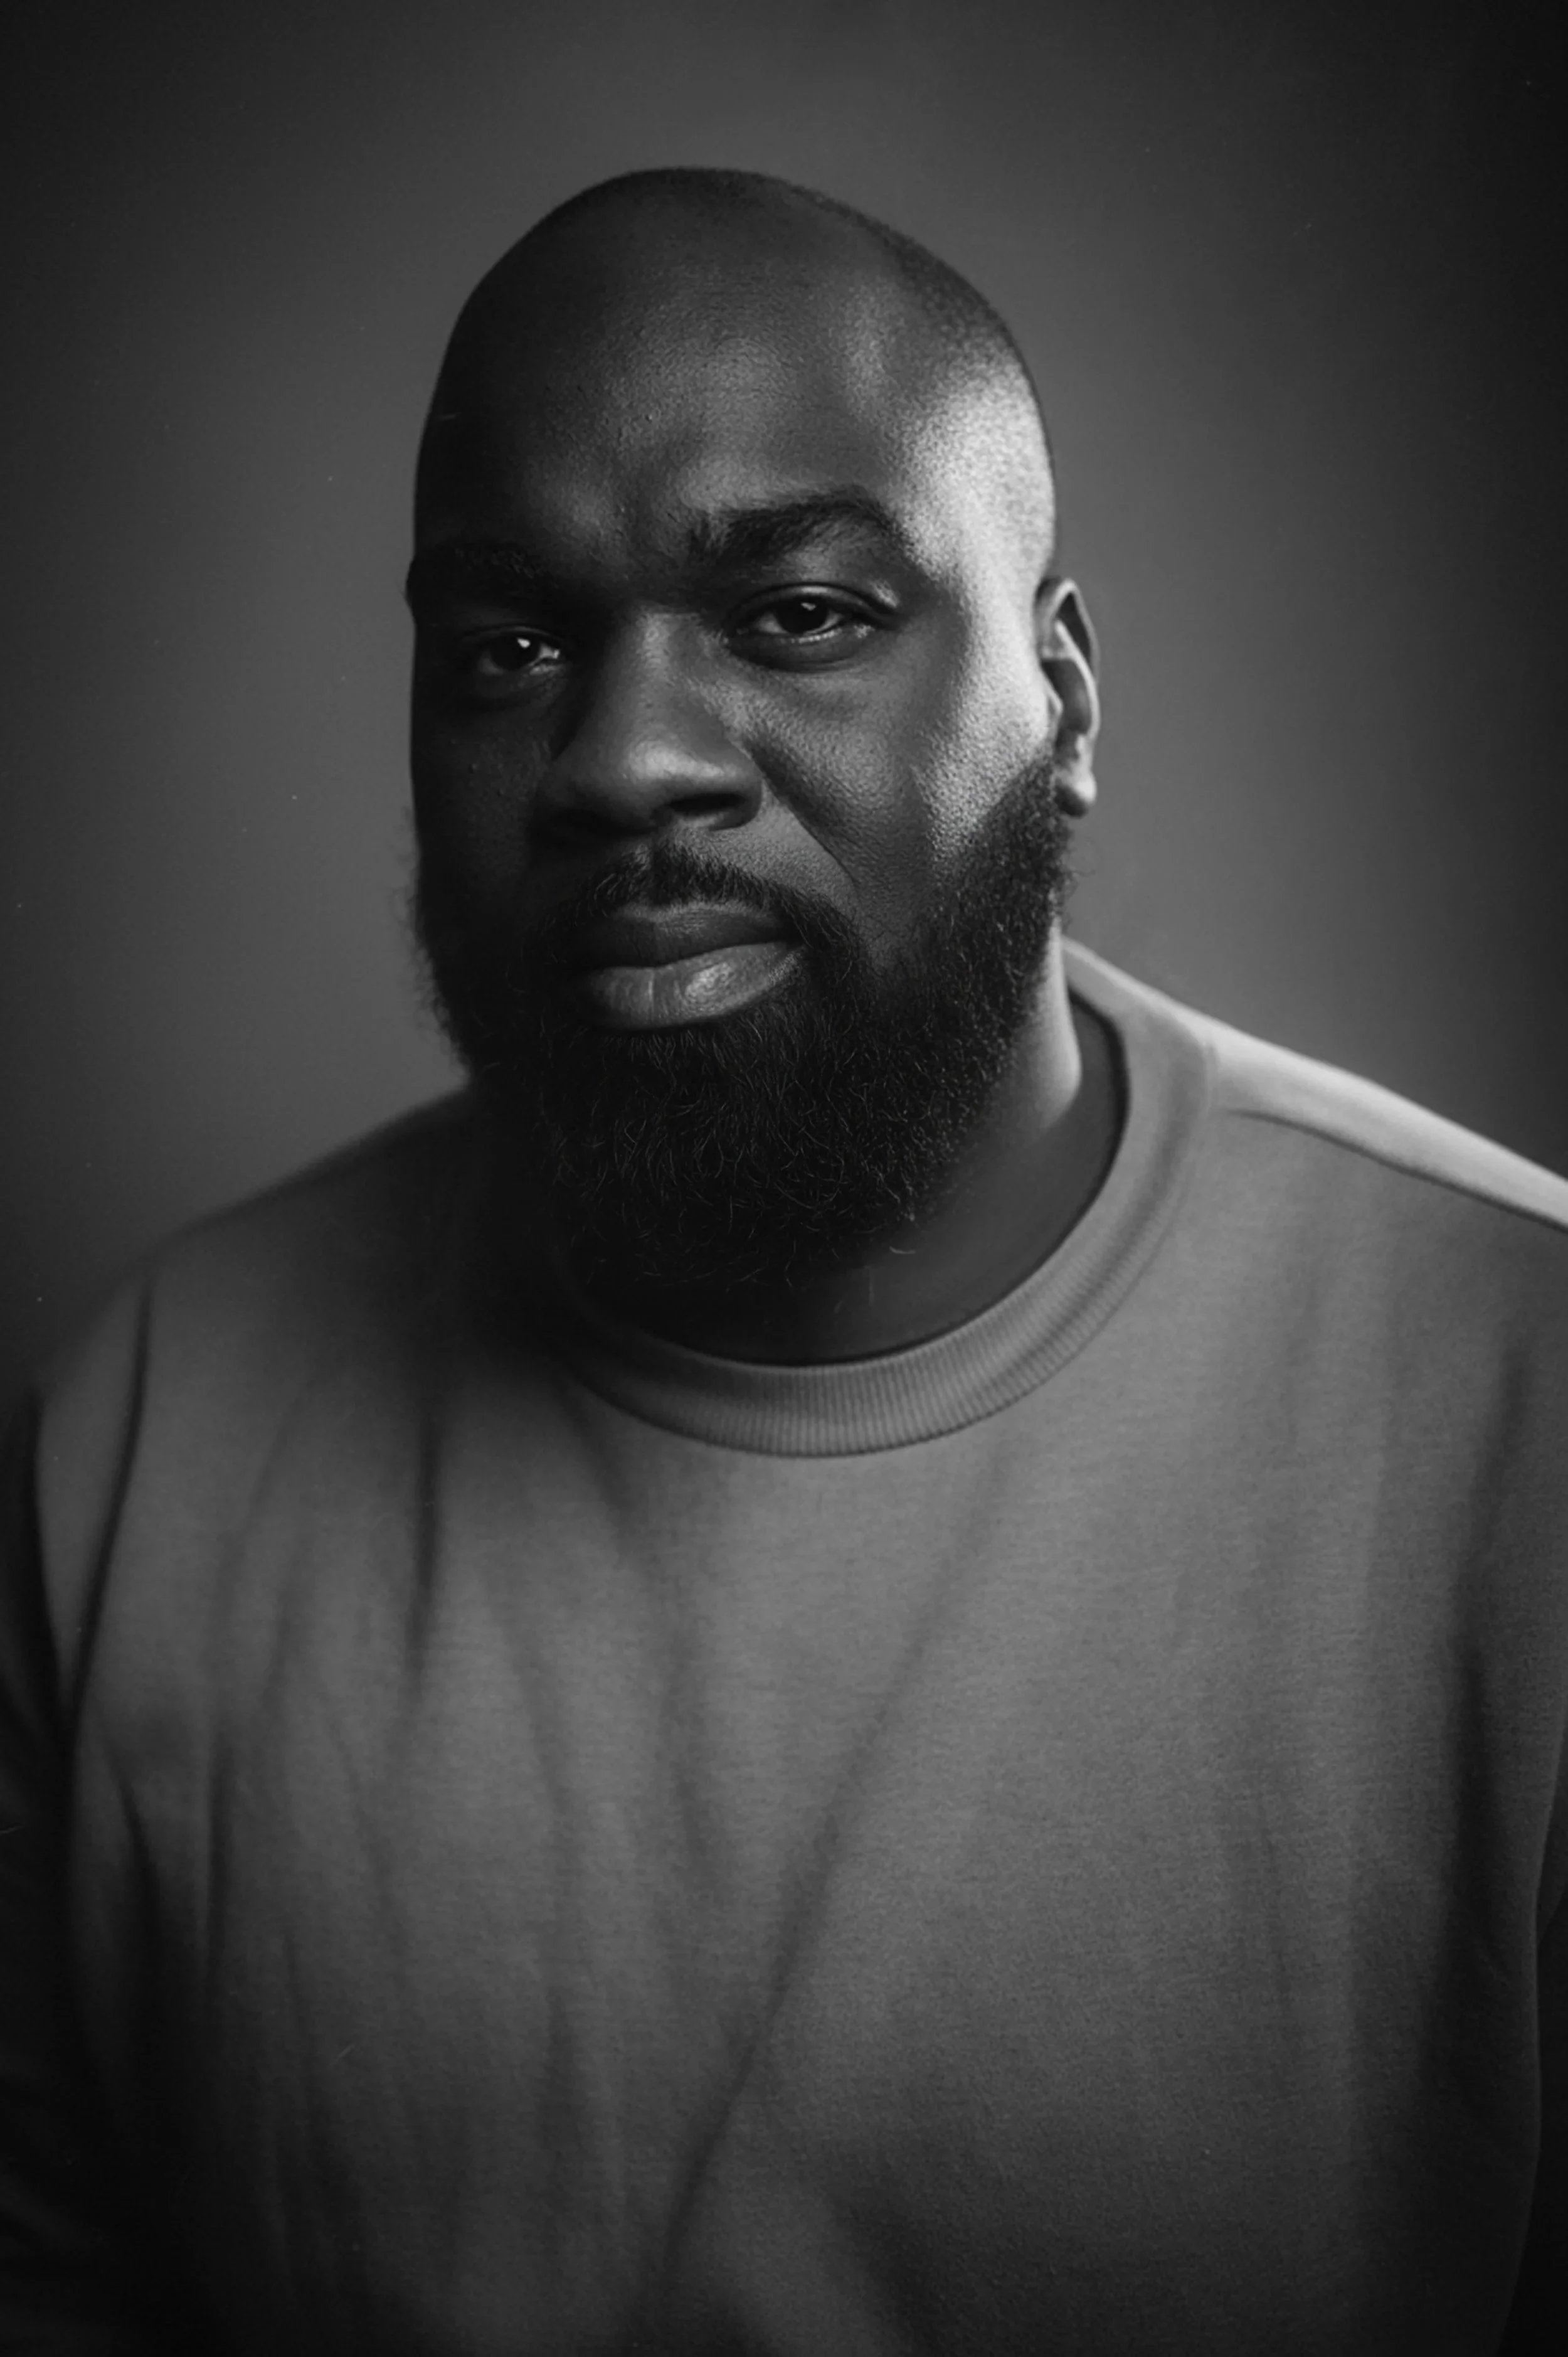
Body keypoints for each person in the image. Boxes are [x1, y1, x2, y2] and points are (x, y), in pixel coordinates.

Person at [1, 166, 1564, 2356]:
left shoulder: (1519, 1416)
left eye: (801, 612)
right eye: (508, 647)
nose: (624, 759)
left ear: (1061, 699)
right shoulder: (146, 1439)